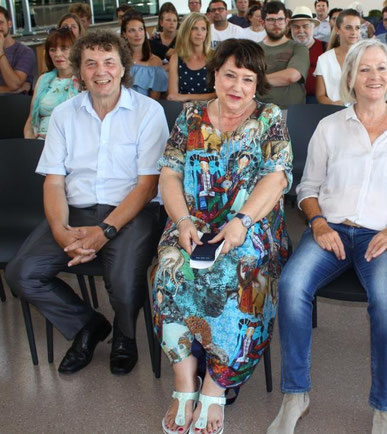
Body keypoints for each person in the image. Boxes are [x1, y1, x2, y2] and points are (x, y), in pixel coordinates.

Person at [267, 38, 387, 434]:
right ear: (351, 78)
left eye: (382, 68)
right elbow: (307, 187)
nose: (375, 76)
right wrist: (318, 223)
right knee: (290, 285)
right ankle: (295, 395)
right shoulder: (330, 127)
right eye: (365, 69)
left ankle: (386, 406)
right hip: (331, 229)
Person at [5, 30, 168, 377]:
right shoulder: (65, 115)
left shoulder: (148, 112)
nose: (100, 70)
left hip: (132, 211)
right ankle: (88, 324)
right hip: (75, 210)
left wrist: (105, 231)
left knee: (123, 282)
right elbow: (54, 181)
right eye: (90, 63)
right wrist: (60, 232)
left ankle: (125, 335)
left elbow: (147, 185)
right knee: (22, 273)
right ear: (79, 71)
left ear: (124, 67)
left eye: (109, 62)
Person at [155, 38, 292, 434]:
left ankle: (217, 385)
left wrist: (241, 223)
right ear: (214, 75)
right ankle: (184, 382)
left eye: (247, 79)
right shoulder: (190, 116)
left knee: (242, 273)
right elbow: (169, 174)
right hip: (192, 220)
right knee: (168, 270)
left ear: (257, 84)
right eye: (229, 75)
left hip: (252, 223)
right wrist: (182, 222)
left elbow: (277, 176)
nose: (237, 86)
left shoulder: (269, 117)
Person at [24, 28, 78, 140]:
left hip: (72, 143)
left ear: (75, 51)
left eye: (64, 48)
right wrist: (30, 143)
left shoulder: (84, 81)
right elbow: (30, 120)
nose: (57, 54)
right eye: (52, 50)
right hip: (39, 143)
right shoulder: (43, 79)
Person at [258, 1, 309, 108]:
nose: (276, 24)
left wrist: (256, 80)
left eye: (280, 19)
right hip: (260, 111)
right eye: (271, 20)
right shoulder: (254, 50)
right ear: (262, 22)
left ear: (287, 21)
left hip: (291, 112)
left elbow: (291, 76)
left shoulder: (299, 48)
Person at [315, 9, 361, 105]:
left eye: (357, 28)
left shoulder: (367, 56)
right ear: (337, 29)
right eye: (348, 27)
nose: (354, 32)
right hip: (335, 113)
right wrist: (334, 105)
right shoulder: (324, 59)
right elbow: (320, 96)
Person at [167, 13, 216, 102]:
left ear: (207, 32)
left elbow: (220, 94)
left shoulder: (215, 56)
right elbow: (172, 96)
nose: (199, 33)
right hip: (184, 110)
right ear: (186, 31)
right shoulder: (176, 58)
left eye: (203, 29)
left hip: (211, 109)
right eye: (194, 28)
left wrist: (186, 97)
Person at [121, 13, 167, 100]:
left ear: (145, 32)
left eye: (140, 29)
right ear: (125, 34)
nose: (137, 34)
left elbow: (153, 102)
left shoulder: (154, 61)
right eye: (132, 30)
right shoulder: (119, 59)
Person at [289, 6, 322, 103]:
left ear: (313, 28)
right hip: (291, 101)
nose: (301, 30)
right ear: (291, 29)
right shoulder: (286, 48)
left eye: (305, 26)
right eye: (296, 27)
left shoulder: (325, 48)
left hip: (318, 102)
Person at [0, 6, 35, 95]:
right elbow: (16, 88)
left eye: (0, 23)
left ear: (10, 24)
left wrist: (0, 51)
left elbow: (14, 84)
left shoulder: (25, 52)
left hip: (16, 105)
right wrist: (9, 89)